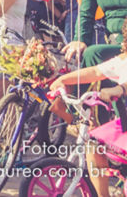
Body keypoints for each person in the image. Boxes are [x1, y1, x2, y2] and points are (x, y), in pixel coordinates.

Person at [48, 19, 127, 197]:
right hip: (124, 128)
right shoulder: (123, 61)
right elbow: (96, 72)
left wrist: (119, 89)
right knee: (94, 146)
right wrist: (64, 79)